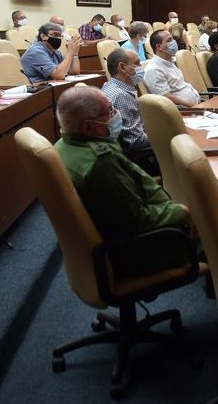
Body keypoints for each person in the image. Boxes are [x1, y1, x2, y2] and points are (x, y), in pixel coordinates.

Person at [54, 86, 194, 276]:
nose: (116, 115)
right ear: (88, 126)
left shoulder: (63, 145)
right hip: (143, 248)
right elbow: (137, 220)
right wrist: (182, 212)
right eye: (109, 112)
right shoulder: (100, 162)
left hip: (117, 238)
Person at [100, 48, 160, 175]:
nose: (140, 67)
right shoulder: (122, 96)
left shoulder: (109, 86)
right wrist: (165, 133)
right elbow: (136, 141)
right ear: (122, 67)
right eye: (137, 63)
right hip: (139, 161)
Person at [143, 30, 200, 107]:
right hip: (186, 111)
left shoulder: (170, 62)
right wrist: (195, 107)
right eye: (169, 40)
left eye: (172, 39)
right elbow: (167, 98)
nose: (174, 42)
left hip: (197, 105)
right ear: (159, 47)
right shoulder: (153, 70)